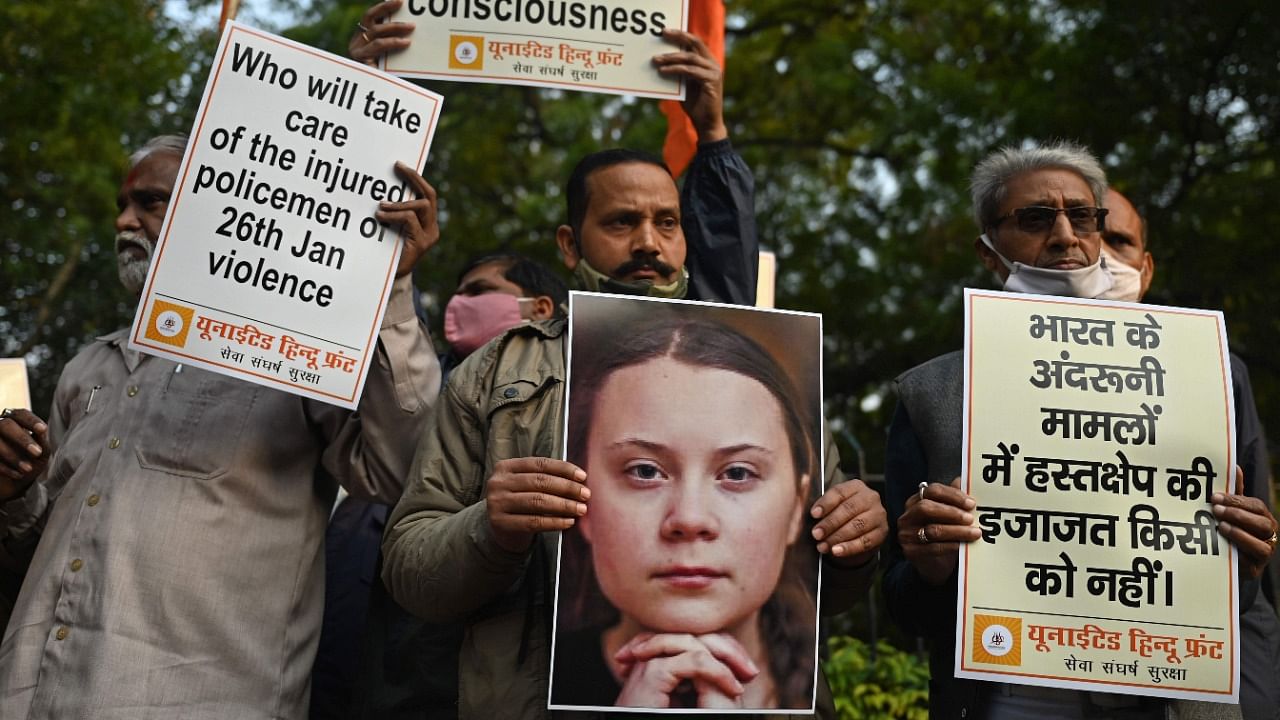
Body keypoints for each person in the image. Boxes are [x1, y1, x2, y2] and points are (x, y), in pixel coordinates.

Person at [380, 137, 888, 720]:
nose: (648, 242)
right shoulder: (496, 372)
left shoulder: (771, 379)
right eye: (622, 221)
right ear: (571, 244)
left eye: (666, 222)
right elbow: (408, 569)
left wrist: (856, 546)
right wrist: (490, 530)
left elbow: (823, 589)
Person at [0, 134, 441, 718]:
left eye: (150, 202)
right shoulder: (87, 367)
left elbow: (404, 469)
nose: (123, 220)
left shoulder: (291, 351)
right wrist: (14, 492)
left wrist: (390, 292)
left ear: (220, 207)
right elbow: (36, 548)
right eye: (122, 204)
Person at [881, 141, 1280, 719]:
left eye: (1083, 217)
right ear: (989, 252)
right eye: (1036, 218)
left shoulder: (1205, 372)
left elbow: (1242, 591)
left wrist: (1248, 556)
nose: (1065, 236)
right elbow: (902, 602)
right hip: (1010, 700)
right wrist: (932, 569)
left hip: (1172, 698)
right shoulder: (930, 394)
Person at [315, 251, 567, 720]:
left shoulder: (571, 396)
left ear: (541, 310)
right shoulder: (405, 394)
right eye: (457, 290)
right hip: (396, 674)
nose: (458, 302)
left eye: (479, 291)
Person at [552, 313, 822, 710]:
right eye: (644, 471)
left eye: (737, 473)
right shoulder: (527, 682)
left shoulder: (827, 684)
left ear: (797, 508)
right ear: (583, 499)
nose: (690, 519)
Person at [1101, 189, 1280, 720]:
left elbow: (1259, 538)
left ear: (1147, 267)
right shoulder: (984, 370)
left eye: (1121, 241)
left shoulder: (1214, 368)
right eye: (1097, 240)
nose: (1107, 258)